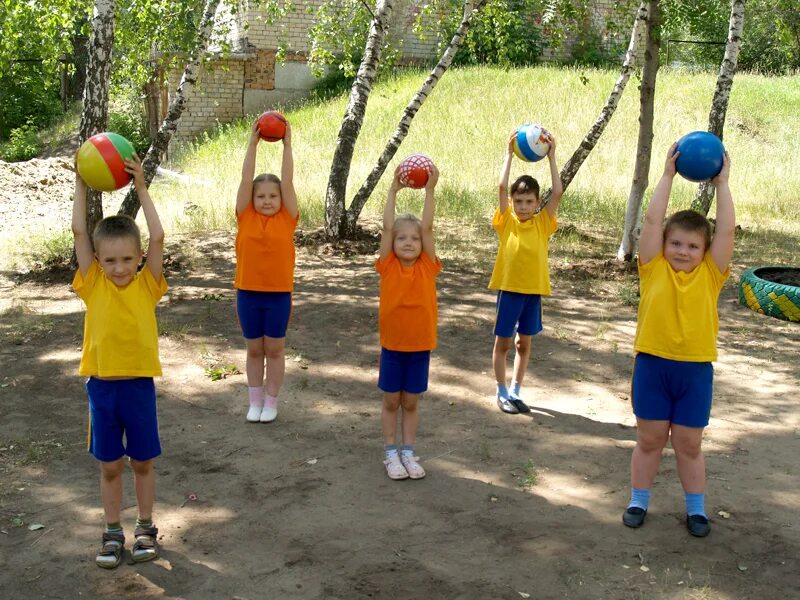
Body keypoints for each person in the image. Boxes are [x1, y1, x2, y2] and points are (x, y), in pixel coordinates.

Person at [623, 143, 734, 538]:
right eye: (676, 244)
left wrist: (722, 184)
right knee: (650, 439)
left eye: (692, 246)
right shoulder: (652, 268)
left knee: (688, 444)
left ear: (704, 252)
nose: (682, 251)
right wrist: (668, 176)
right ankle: (638, 500)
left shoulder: (711, 274)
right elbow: (652, 223)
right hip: (654, 366)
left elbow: (725, 229)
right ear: (665, 245)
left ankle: (696, 510)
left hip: (694, 370)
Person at [72, 155, 167, 568]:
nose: (118, 267)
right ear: (97, 258)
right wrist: (81, 183)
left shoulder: (147, 284)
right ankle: (112, 532)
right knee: (110, 466)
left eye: (127, 259)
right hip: (103, 388)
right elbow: (78, 229)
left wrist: (141, 187)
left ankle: (145, 527)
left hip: (138, 388)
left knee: (141, 461)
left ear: (139, 256)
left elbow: (160, 236)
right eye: (109, 260)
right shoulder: (92, 283)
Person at [489, 129, 562, 414]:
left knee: (524, 344)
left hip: (533, 293)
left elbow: (558, 192)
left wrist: (552, 157)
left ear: (537, 202)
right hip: (509, 291)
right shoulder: (506, 221)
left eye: (529, 202)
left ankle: (517, 391)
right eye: (518, 201)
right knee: (504, 343)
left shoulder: (543, 223)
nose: (522, 207)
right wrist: (508, 154)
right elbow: (500, 187)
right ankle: (502, 390)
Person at [377, 164, 441, 480]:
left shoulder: (428, 266)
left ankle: (409, 452)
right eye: (401, 238)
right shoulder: (387, 265)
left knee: (411, 402)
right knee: (391, 401)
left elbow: (428, 228)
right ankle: (390, 453)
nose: (407, 242)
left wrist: (429, 191)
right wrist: (392, 190)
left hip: (419, 346)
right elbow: (387, 229)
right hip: (393, 345)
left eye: (413, 238)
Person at [234, 119, 299, 423]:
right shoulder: (245, 215)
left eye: (273, 196)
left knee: (273, 350)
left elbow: (287, 181)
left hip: (278, 295)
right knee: (253, 350)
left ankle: (271, 402)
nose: (267, 200)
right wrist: (252, 144)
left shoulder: (288, 218)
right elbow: (246, 179)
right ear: (253, 199)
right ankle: (254, 400)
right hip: (247, 293)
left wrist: (287, 145)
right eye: (261, 196)